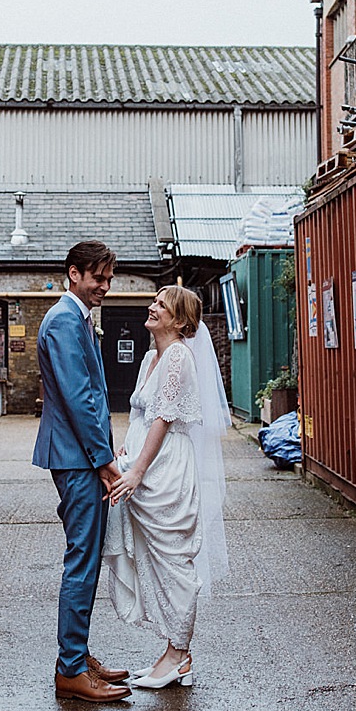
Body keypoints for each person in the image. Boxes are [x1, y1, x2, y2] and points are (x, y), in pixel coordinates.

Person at [104, 285, 232, 689]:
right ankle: (170, 652)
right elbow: (140, 412)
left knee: (174, 561)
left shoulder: (178, 355)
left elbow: (163, 418)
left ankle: (180, 654)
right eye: (153, 302)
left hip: (166, 469)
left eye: (160, 305)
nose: (151, 307)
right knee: (152, 558)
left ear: (179, 320)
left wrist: (138, 470)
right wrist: (127, 445)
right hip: (143, 459)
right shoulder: (149, 358)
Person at [32, 241, 132, 703]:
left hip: (79, 455)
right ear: (74, 273)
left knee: (86, 559)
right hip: (78, 458)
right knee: (82, 561)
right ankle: (70, 668)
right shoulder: (65, 321)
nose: (105, 288)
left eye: (109, 280)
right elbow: (79, 398)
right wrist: (105, 461)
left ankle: (76, 655)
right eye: (99, 278)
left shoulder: (75, 319)